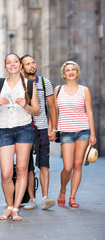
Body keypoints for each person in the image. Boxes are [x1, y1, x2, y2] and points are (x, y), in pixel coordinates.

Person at [0, 53, 39, 221]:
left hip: (24, 128)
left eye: (15, 62)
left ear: (20, 65)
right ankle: (8, 206)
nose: (12, 65)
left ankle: (16, 208)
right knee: (6, 174)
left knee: (22, 169)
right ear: (5, 67)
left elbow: (37, 111)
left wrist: (25, 105)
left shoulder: (29, 84)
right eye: (8, 62)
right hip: (4, 130)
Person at [55, 60, 97, 208]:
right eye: (68, 70)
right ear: (63, 74)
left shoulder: (84, 90)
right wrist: (52, 129)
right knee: (67, 167)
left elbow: (89, 112)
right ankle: (62, 190)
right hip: (66, 131)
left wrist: (92, 133)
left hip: (83, 131)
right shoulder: (58, 90)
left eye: (74, 69)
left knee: (78, 164)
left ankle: (72, 197)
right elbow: (54, 113)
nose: (71, 72)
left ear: (77, 73)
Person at [21, 55, 57, 210]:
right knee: (28, 166)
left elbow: (52, 107)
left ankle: (45, 198)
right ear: (22, 68)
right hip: (24, 128)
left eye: (33, 62)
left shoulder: (44, 82)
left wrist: (53, 128)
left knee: (44, 164)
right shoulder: (20, 84)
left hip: (42, 127)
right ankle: (32, 199)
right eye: (28, 64)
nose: (32, 66)